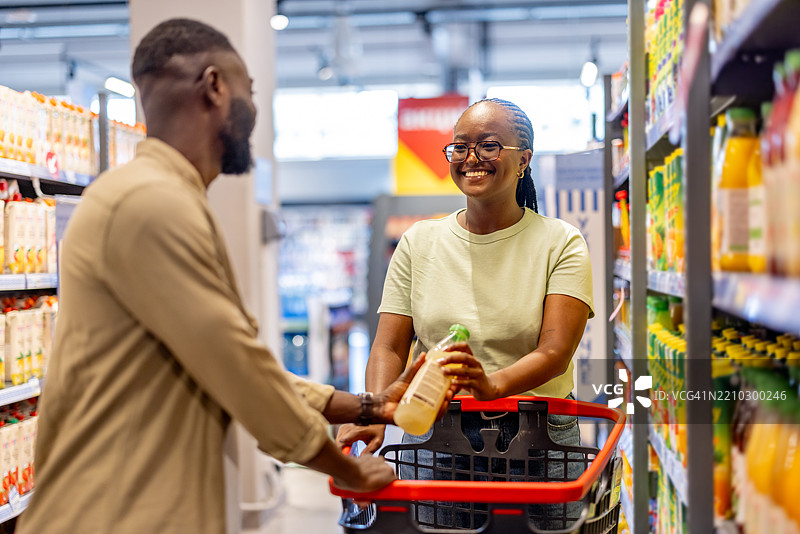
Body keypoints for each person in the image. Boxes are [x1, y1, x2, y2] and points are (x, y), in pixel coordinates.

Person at [17, 18, 443, 534]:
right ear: (215, 85)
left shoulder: (162, 197)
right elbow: (240, 369)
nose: (254, 111)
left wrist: (368, 406)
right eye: (251, 91)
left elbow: (228, 361)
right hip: (113, 515)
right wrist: (345, 469)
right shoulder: (149, 203)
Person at [336, 98, 593, 527]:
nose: (471, 158)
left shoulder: (561, 242)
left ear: (523, 160)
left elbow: (555, 352)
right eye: (460, 146)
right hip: (436, 435)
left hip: (540, 439)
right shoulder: (419, 243)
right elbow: (389, 347)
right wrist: (377, 409)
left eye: (489, 146)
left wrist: (493, 386)